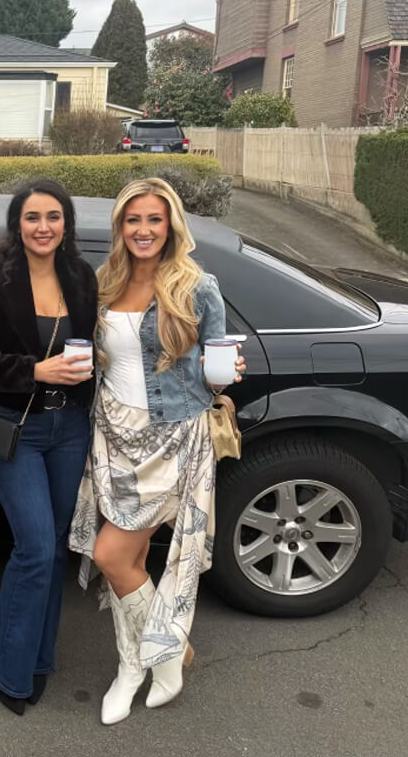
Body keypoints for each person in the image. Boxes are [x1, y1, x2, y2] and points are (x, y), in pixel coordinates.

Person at [68, 177, 246, 726]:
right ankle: (141, 663)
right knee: (133, 561)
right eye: (133, 220)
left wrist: (225, 374)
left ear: (170, 225)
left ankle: (161, 657)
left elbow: (217, 363)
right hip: (112, 436)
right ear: (120, 227)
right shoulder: (105, 281)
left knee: (110, 556)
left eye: (154, 219)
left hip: (171, 438)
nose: (144, 230)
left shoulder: (197, 284)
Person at [0, 178, 98, 715]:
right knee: (35, 547)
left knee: (56, 546)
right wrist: (35, 370)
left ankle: (40, 657)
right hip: (14, 428)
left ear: (66, 224)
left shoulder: (81, 278)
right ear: (17, 223)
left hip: (70, 430)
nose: (44, 227)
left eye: (54, 217)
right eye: (33, 217)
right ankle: (8, 667)